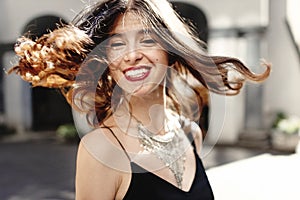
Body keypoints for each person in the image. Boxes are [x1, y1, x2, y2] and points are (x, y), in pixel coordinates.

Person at [9, 0, 270, 199]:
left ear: (170, 50)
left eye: (147, 39)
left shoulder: (190, 132)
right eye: (118, 44)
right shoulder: (101, 150)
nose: (132, 55)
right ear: (107, 61)